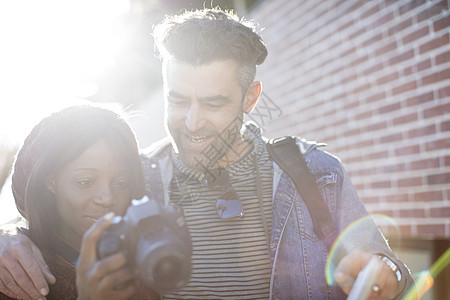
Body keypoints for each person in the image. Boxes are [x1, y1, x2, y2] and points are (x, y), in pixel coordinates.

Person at [0, 8, 415, 300]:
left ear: (251, 97)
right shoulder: (137, 177)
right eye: (178, 100)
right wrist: (9, 237)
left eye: (213, 103)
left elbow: (390, 270)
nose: (191, 122)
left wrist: (387, 274)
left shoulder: (318, 176)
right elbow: (59, 215)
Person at [0, 105, 155, 300]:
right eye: (85, 182)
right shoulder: (14, 273)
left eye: (121, 183)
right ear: (51, 182)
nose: (107, 198)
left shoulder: (149, 261)